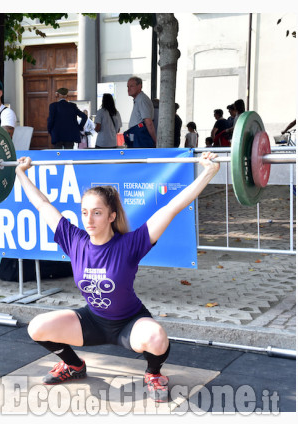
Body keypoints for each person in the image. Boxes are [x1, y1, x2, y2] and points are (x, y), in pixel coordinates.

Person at [15, 150, 221, 402]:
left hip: (129, 323)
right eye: (85, 212)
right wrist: (20, 173)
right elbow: (42, 204)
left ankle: (153, 373)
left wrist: (208, 172)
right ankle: (74, 365)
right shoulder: (74, 240)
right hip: (91, 321)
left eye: (97, 212)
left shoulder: (131, 244)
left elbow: (172, 207)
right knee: (37, 327)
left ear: (112, 216)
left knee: (156, 338)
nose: (89, 219)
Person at [124, 77, 156, 148]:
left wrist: (155, 140)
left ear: (140, 86)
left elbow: (149, 122)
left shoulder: (142, 99)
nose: (128, 89)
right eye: (128, 86)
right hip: (136, 136)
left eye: (131, 86)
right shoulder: (138, 99)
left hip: (141, 137)